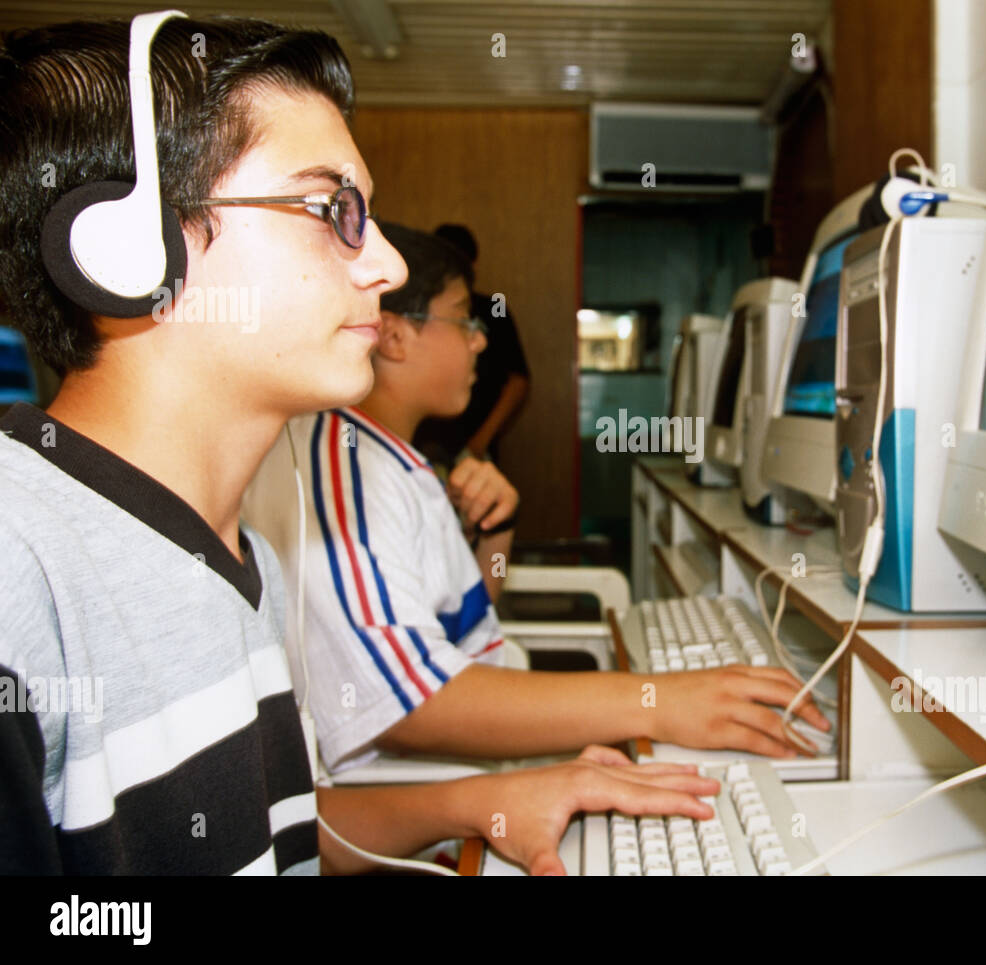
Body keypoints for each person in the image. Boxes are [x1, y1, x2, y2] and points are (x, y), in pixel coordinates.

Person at [0, 14, 714, 877]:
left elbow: (283, 834)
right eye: (331, 209)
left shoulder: (233, 553)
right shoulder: (17, 573)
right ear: (127, 251)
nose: (389, 265)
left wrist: (481, 801)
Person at [242, 222, 831, 792]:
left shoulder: (392, 457)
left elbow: (466, 621)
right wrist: (659, 701)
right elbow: (408, 703)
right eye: (464, 319)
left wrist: (496, 536)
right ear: (395, 336)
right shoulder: (342, 469)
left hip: (487, 730)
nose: (480, 339)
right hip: (448, 778)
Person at [414, 222, 530, 464]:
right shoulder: (415, 311)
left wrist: (482, 440)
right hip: (422, 445)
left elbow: (518, 380)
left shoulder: (493, 310)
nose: (475, 342)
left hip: (474, 443)